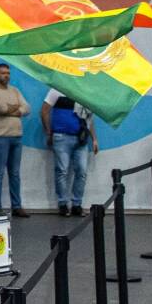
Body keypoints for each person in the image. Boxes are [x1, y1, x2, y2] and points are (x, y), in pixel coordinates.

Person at [40, 88, 97, 217]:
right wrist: (49, 132)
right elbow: (44, 111)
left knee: (82, 171)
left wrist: (94, 139)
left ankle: (77, 205)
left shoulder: (83, 92)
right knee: (62, 170)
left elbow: (89, 119)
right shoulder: (56, 90)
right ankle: (63, 204)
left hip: (81, 138)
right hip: (61, 137)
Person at [0, 62, 29, 218]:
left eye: (8, 73)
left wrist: (12, 108)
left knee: (15, 173)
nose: (6, 76)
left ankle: (16, 206)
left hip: (16, 136)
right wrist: (16, 108)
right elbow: (1, 109)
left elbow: (27, 108)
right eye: (3, 73)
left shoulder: (15, 90)